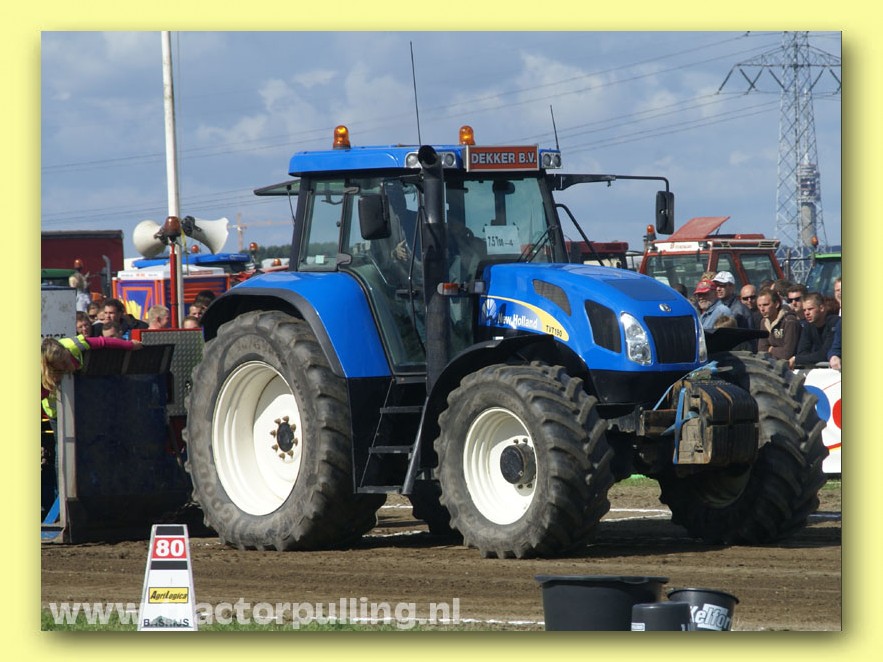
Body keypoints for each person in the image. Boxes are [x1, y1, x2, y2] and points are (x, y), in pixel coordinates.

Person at [41, 334, 142, 519]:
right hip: (57, 413)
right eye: (61, 366)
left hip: (81, 404)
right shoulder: (42, 374)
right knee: (62, 450)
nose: (67, 366)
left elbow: (103, 342)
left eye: (65, 360)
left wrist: (130, 345)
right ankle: (62, 496)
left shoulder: (73, 345)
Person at [790, 292, 839, 369]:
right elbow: (801, 352)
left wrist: (797, 359)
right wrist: (802, 358)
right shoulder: (808, 326)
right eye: (804, 310)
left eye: (810, 309)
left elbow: (825, 354)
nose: (807, 313)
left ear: (821, 308)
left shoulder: (835, 323)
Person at [756, 288, 800, 361]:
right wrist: (775, 350)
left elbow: (787, 353)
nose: (762, 309)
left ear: (776, 304)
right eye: (759, 305)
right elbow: (761, 350)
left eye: (765, 305)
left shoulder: (789, 321)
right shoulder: (764, 322)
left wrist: (770, 349)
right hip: (771, 363)